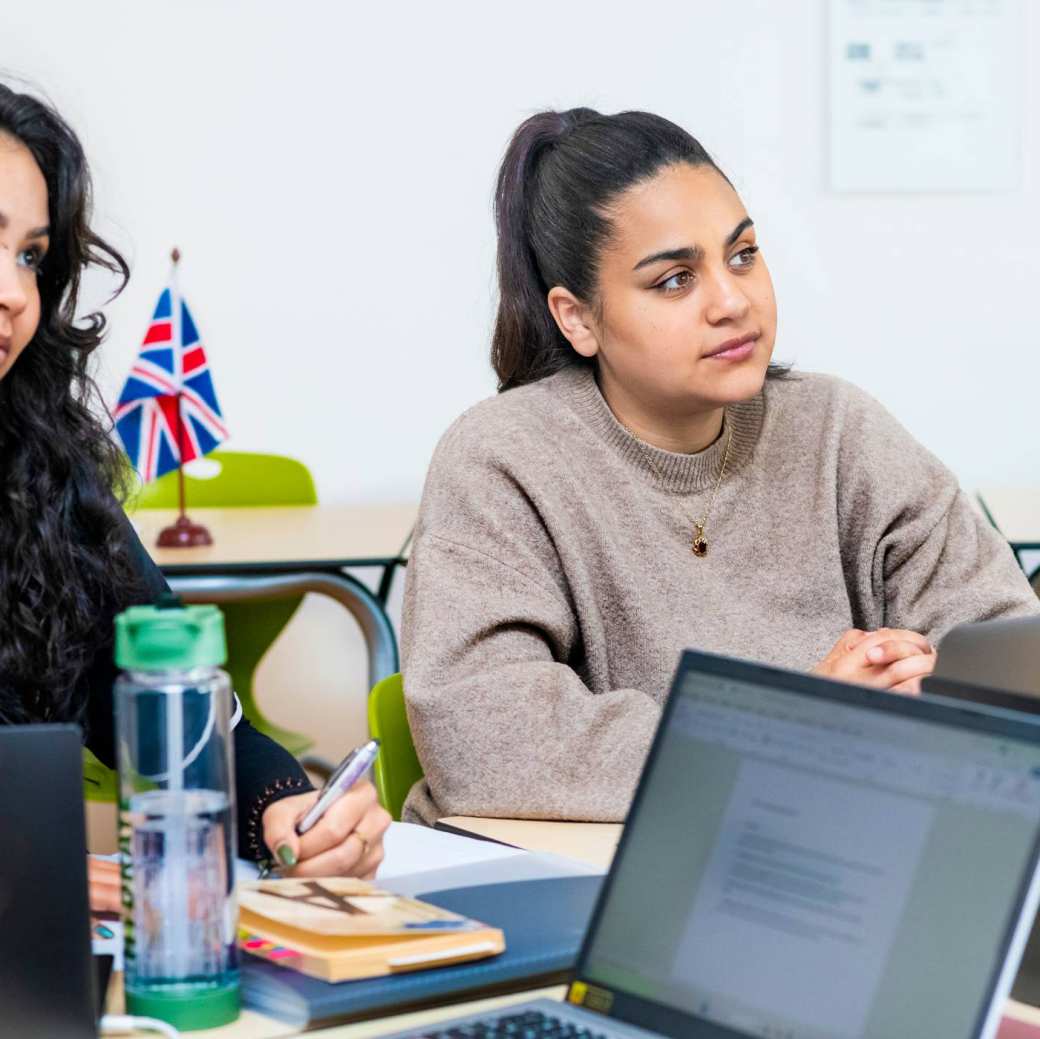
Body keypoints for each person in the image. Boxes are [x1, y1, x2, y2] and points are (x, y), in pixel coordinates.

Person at [401, 107, 1039, 825]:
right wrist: (797, 726)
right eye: (675, 280)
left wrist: (936, 686)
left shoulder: (839, 428)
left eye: (743, 255)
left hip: (824, 851)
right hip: (591, 883)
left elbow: (1007, 645)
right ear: (577, 318)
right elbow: (487, 738)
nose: (733, 301)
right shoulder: (501, 458)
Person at [0, 84, 390, 907]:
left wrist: (285, 813)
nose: (16, 293)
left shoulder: (40, 473)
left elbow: (172, 696)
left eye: (31, 257)